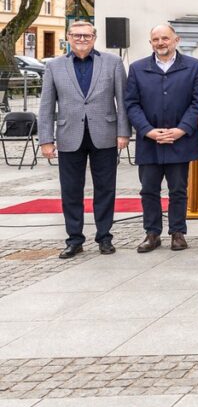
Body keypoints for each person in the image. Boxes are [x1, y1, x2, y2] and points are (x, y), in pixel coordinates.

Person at [38, 20, 130, 258]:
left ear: (94, 38)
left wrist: (123, 132)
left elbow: (123, 101)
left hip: (105, 135)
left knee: (105, 189)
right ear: (68, 37)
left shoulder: (112, 63)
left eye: (86, 36)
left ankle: (104, 237)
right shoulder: (54, 66)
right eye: (77, 35)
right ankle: (74, 239)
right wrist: (46, 139)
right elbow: (46, 105)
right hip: (69, 136)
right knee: (70, 190)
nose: (81, 40)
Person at [124, 24, 198, 253]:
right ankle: (152, 233)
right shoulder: (138, 68)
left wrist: (182, 129)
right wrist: (147, 130)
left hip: (180, 140)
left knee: (178, 189)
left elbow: (197, 102)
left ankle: (177, 233)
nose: (161, 43)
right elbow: (131, 103)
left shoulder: (193, 67)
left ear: (176, 40)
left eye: (165, 38)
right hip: (149, 140)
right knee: (148, 189)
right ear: (151, 43)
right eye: (156, 39)